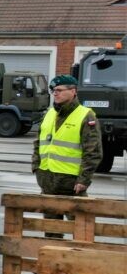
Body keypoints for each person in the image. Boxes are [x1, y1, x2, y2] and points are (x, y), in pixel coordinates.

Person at [32, 74, 103, 219]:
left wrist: (84, 180)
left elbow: (93, 152)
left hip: (72, 183)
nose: (55, 93)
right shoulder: (49, 113)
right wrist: (36, 167)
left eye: (59, 90)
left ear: (73, 91)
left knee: (80, 228)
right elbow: (38, 143)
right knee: (51, 230)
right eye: (54, 90)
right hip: (47, 181)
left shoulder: (85, 115)